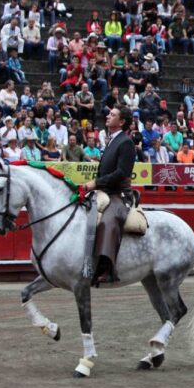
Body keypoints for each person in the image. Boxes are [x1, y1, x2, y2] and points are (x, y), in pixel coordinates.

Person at [81, 107, 136, 286]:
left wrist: (95, 183)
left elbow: (121, 173)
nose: (107, 116)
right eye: (109, 113)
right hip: (106, 191)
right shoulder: (112, 140)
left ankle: (107, 268)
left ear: (121, 122)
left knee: (108, 220)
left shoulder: (126, 142)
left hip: (120, 195)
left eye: (112, 115)